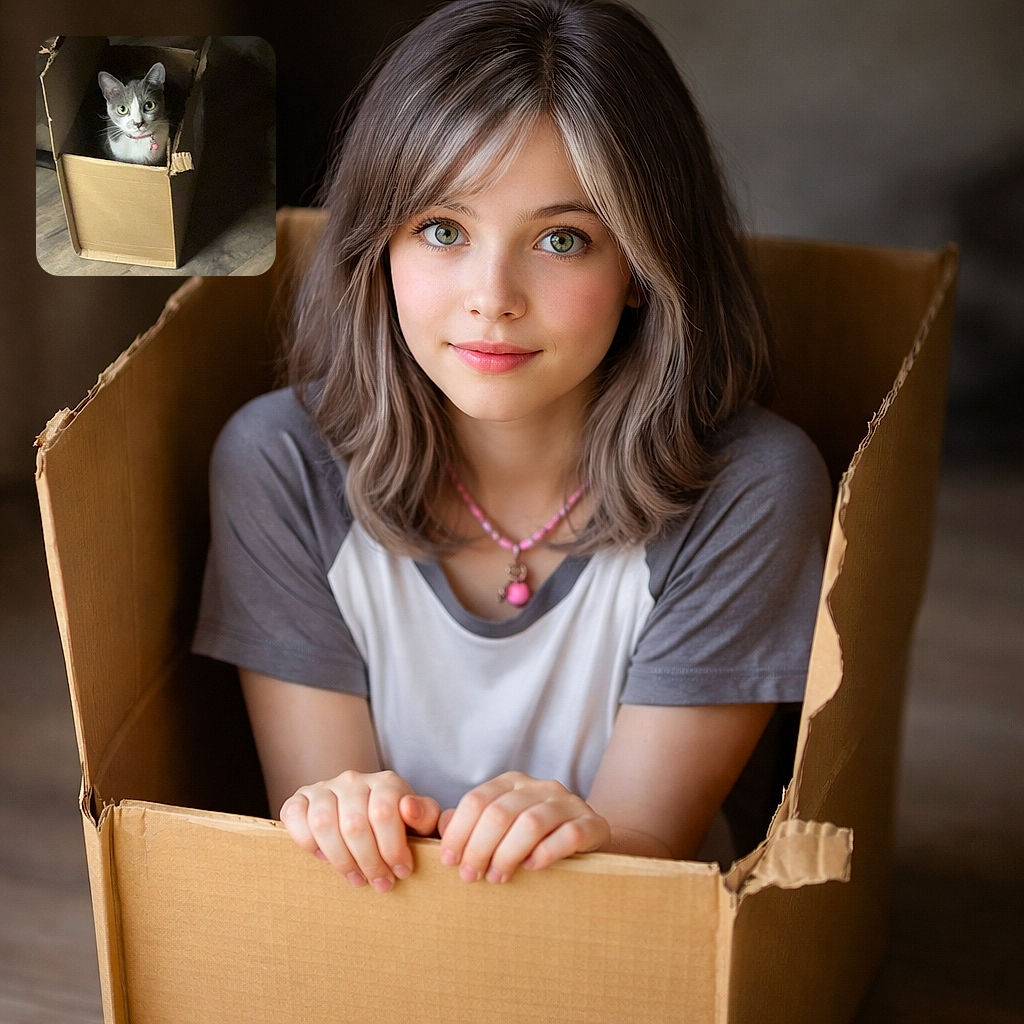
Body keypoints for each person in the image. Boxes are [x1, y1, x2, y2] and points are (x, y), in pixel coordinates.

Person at [193, 0, 831, 894]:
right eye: (442, 230)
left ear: (645, 269)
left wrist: (598, 837)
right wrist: (336, 813)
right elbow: (328, 842)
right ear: (379, 248)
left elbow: (647, 852)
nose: (492, 296)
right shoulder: (279, 463)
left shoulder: (752, 486)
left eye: (561, 240)